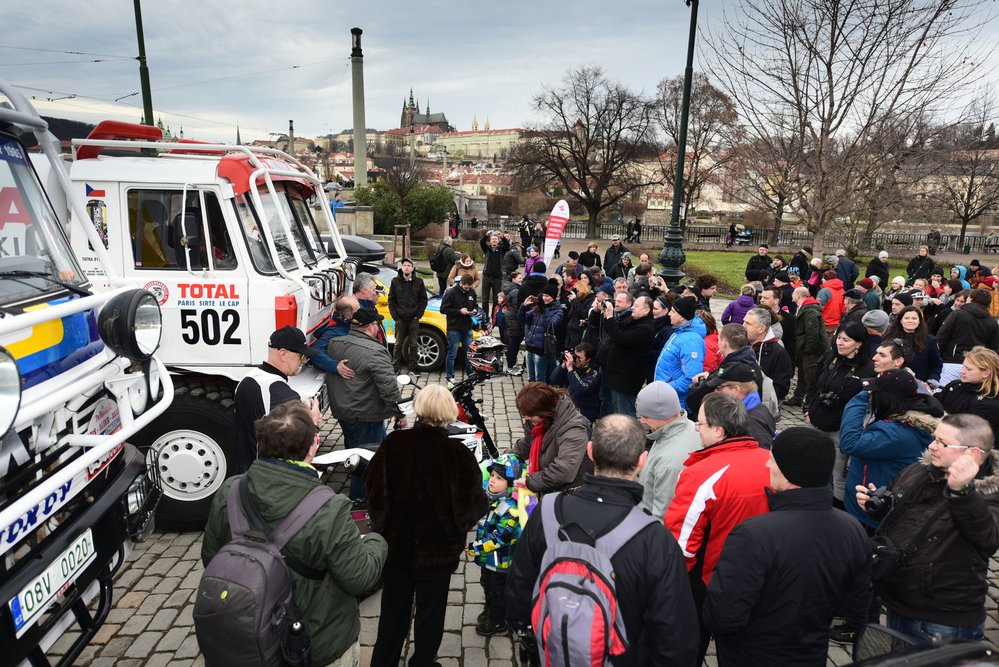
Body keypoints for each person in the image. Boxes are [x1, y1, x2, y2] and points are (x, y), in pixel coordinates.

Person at [202, 402, 388, 667]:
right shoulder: (329, 508)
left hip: (248, 636)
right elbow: (358, 578)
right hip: (315, 642)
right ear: (314, 444)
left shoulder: (231, 490)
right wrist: (376, 540)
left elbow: (211, 556)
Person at [506, 414, 700, 666]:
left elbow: (520, 583)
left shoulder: (547, 511)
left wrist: (529, 637)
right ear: (642, 460)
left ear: (590, 452)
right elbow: (674, 634)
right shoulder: (655, 538)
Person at [704, 428, 871, 667]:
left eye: (772, 460)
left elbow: (723, 616)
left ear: (787, 472)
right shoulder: (852, 529)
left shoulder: (754, 534)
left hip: (752, 655)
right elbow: (856, 607)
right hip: (811, 653)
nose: (767, 466)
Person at [365, 385, 488, 667]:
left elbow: (373, 489)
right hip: (438, 554)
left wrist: (383, 526)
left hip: (396, 549)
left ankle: (384, 661)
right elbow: (472, 506)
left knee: (393, 613)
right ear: (449, 413)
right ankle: (422, 662)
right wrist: (457, 530)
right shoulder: (457, 453)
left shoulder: (394, 444)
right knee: (431, 614)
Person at [857, 413, 999, 643]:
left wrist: (962, 492)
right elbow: (907, 517)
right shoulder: (920, 470)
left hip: (941, 619)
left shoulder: (990, 492)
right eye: (935, 438)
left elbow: (988, 536)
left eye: (943, 443)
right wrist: (877, 506)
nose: (932, 446)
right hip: (900, 601)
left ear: (972, 452)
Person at [665, 392, 771, 664]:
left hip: (710, 580)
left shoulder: (701, 473)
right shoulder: (770, 461)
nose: (697, 429)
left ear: (718, 430)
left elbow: (683, 545)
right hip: (761, 578)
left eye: (700, 424)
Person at [839, 369, 945, 530]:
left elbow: (850, 443)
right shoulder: (901, 418)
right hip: (867, 504)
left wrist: (860, 399)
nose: (871, 395)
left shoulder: (896, 434)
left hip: (870, 516)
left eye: (874, 392)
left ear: (886, 397)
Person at [327, 308, 406, 497]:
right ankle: (361, 503)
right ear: (371, 327)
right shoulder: (376, 351)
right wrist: (400, 413)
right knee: (365, 462)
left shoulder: (334, 344)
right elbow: (389, 388)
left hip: (342, 411)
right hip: (365, 414)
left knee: (355, 450)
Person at [803, 321, 876, 507]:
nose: (840, 343)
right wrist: (808, 408)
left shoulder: (868, 369)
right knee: (809, 466)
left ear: (859, 343)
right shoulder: (830, 358)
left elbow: (867, 403)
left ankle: (837, 510)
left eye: (846, 340)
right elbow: (814, 384)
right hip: (815, 421)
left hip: (841, 431)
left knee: (838, 477)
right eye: (839, 338)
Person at [234, 326, 320, 474]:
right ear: (283, 354)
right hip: (268, 475)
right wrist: (313, 421)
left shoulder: (247, 379)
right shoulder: (284, 395)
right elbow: (297, 444)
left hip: (247, 468)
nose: (303, 361)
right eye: (301, 356)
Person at [466, 453, 523, 636]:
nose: (492, 481)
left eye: (499, 478)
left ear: (510, 483)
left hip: (501, 563)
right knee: (487, 585)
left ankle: (498, 620)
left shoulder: (511, 510)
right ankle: (490, 609)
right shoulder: (495, 499)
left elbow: (499, 539)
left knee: (498, 590)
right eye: (492, 476)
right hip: (489, 560)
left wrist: (476, 548)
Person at [511, 382, 591, 495]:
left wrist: (531, 482)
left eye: (530, 414)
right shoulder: (539, 420)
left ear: (545, 410)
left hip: (571, 494)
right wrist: (508, 457)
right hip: (550, 488)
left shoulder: (574, 430)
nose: (526, 418)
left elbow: (563, 471)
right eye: (524, 414)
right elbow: (529, 442)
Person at [601, 294, 655, 416]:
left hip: (627, 379)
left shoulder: (645, 329)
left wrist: (610, 317)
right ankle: (619, 434)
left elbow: (620, 338)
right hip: (617, 376)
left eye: (636, 306)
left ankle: (629, 434)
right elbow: (614, 331)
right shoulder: (632, 320)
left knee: (625, 413)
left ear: (646, 310)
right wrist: (607, 316)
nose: (632, 308)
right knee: (616, 409)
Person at [937, 346, 999, 448]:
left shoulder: (991, 403)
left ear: (986, 373)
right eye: (963, 366)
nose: (962, 371)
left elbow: (966, 432)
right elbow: (937, 403)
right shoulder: (955, 385)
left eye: (968, 369)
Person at [705, 362, 777, 449]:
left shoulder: (751, 422)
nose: (715, 392)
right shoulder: (752, 408)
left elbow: (762, 456)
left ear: (736, 389)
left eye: (719, 388)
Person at [937, 288, 999, 386]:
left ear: (971, 299)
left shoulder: (958, 314)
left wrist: (940, 356)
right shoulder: (992, 322)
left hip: (952, 362)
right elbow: (994, 349)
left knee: (945, 393)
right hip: (977, 368)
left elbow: (941, 337)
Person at [654, 295, 707, 410]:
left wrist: (663, 389)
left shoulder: (691, 341)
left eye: (673, 311)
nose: (669, 314)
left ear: (682, 317)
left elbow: (691, 378)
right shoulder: (679, 331)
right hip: (666, 398)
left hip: (675, 403)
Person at [785, 286, 828, 407]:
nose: (792, 295)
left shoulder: (809, 311)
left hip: (812, 350)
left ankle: (811, 402)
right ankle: (798, 397)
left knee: (810, 377)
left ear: (799, 295)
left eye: (794, 293)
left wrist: (808, 350)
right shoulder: (805, 308)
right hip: (805, 349)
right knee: (802, 375)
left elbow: (812, 333)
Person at [743, 307, 793, 402]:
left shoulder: (779, 353)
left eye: (748, 324)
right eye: (744, 322)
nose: (743, 326)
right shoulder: (741, 344)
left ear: (761, 329)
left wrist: (753, 395)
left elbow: (781, 388)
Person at [883, 306, 942, 385]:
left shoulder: (929, 340)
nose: (910, 321)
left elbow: (936, 364)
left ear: (919, 321)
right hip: (892, 381)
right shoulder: (890, 338)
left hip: (919, 383)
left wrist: (933, 378)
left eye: (914, 318)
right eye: (907, 318)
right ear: (901, 320)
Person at [387, 258, 428, 374]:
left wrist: (418, 315)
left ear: (413, 268)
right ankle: (395, 367)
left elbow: (423, 300)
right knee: (398, 344)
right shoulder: (395, 281)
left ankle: (413, 367)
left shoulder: (419, 282)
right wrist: (396, 316)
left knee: (413, 344)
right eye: (404, 265)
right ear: (401, 267)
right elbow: (391, 300)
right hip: (400, 319)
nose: (406, 267)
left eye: (409, 265)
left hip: (413, 318)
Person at [520, 279, 563, 383]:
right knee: (531, 379)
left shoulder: (558, 311)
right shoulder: (537, 308)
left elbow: (550, 325)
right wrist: (523, 306)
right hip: (530, 348)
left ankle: (541, 398)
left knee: (540, 379)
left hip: (542, 350)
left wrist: (544, 310)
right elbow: (523, 318)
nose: (544, 298)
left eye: (547, 296)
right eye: (543, 295)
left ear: (553, 297)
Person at [441, 274, 478, 387]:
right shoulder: (451, 292)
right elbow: (443, 309)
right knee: (452, 354)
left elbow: (475, 304)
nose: (467, 289)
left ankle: (471, 374)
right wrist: (459, 311)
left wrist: (475, 310)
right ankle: (450, 377)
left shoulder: (472, 292)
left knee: (470, 353)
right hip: (454, 328)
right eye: (466, 287)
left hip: (467, 327)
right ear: (461, 283)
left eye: (469, 287)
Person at [551, 342, 602, 421]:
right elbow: (554, 379)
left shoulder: (594, 373)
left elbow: (580, 389)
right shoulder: (573, 366)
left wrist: (570, 369)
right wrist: (563, 366)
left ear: (588, 359)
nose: (576, 360)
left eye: (579, 358)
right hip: (569, 408)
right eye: (575, 356)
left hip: (584, 412)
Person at [479, 230, 508, 318]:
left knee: (496, 299)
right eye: (492, 239)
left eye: (496, 239)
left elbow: (507, 245)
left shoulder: (501, 249)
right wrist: (486, 235)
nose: (494, 240)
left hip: (497, 278)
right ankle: (485, 316)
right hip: (486, 277)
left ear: (498, 241)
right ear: (490, 241)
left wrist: (502, 236)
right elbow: (482, 242)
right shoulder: (486, 249)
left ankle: (494, 316)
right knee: (484, 299)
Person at [501, 272, 524, 374]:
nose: (521, 279)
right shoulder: (515, 291)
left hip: (511, 319)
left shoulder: (512, 289)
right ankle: (511, 366)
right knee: (514, 344)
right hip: (514, 320)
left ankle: (512, 364)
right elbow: (517, 307)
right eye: (519, 278)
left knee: (513, 343)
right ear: (513, 279)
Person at [816, 270, 846, 339]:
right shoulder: (842, 290)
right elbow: (844, 308)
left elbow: (818, 307)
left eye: (823, 277)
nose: (821, 279)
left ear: (826, 279)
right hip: (836, 323)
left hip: (824, 323)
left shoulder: (824, 291)